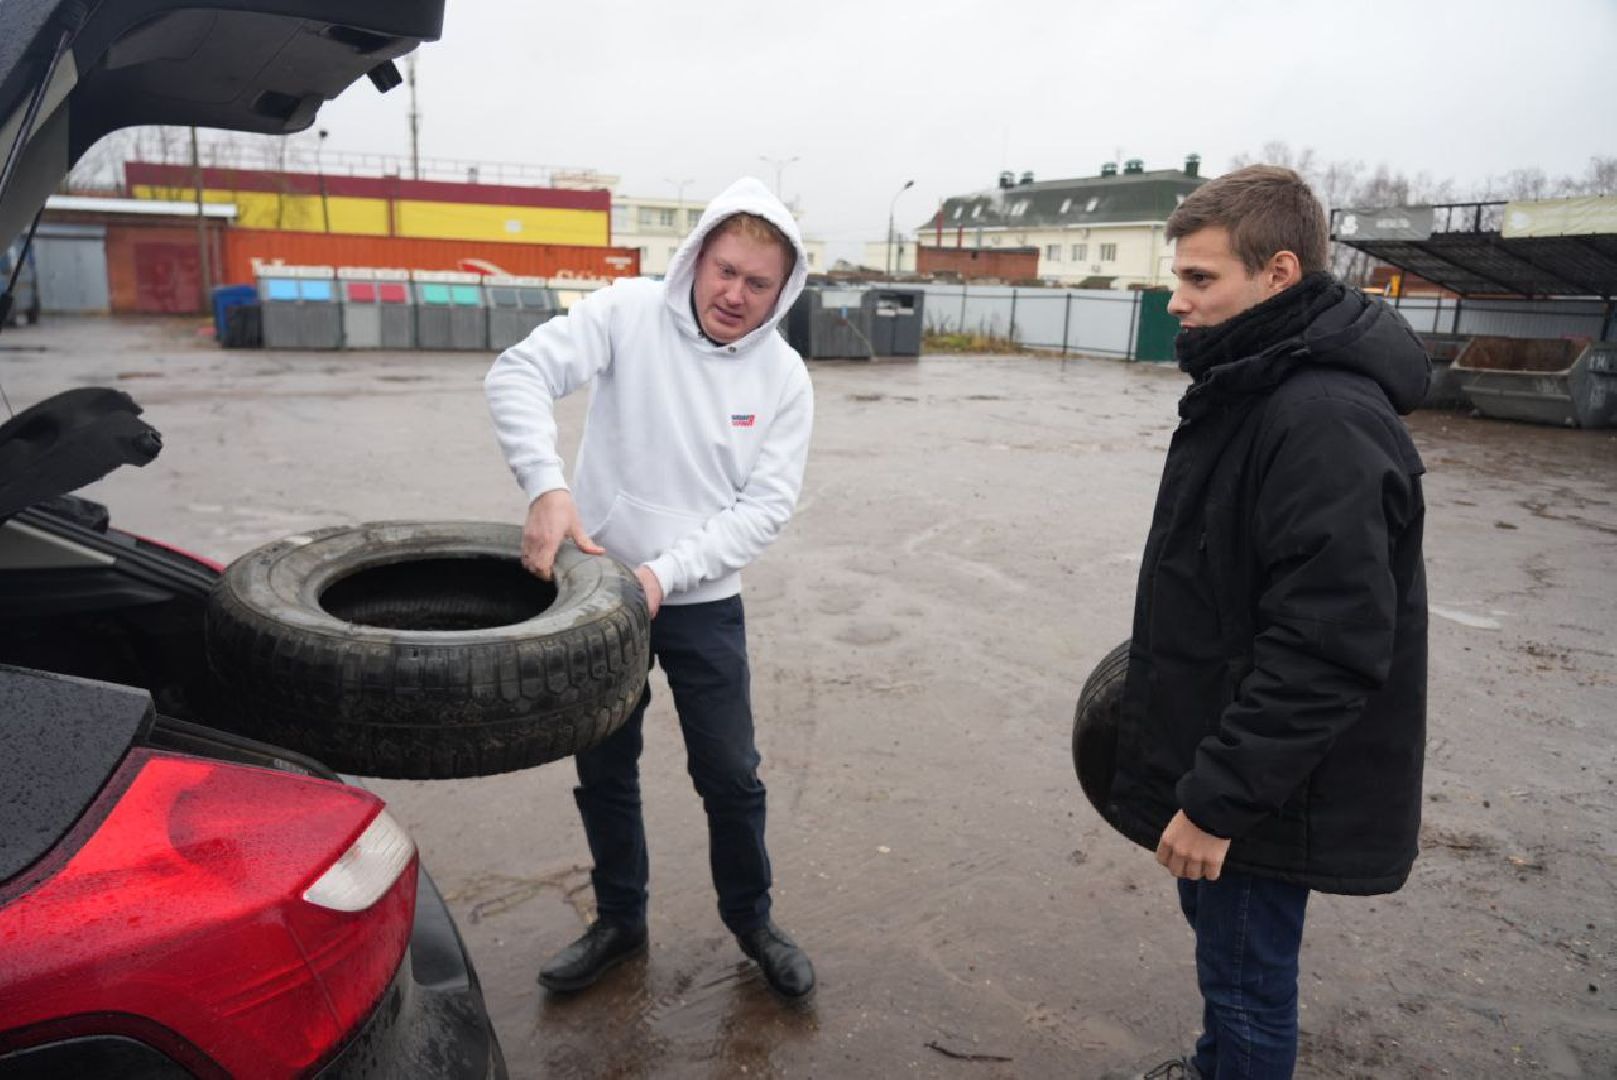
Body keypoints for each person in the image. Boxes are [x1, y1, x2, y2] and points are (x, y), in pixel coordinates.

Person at [1102, 166, 1430, 1078]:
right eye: (1178, 277)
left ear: (1278, 273)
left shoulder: (1318, 415)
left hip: (1266, 792)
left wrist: (1217, 805)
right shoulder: (1255, 386)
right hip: (1236, 763)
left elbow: (1326, 648)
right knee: (1229, 972)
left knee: (1248, 986)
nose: (1176, 299)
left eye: (1199, 280)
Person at [484, 177, 816, 1002]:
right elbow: (517, 373)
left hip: (701, 604)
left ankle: (752, 922)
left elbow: (765, 509)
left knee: (731, 775)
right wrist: (546, 486)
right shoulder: (626, 313)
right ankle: (619, 921)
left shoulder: (784, 378)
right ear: (697, 258)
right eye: (725, 270)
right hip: (599, 597)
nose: (734, 294)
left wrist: (663, 575)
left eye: (758, 282)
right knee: (606, 768)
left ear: (783, 291)